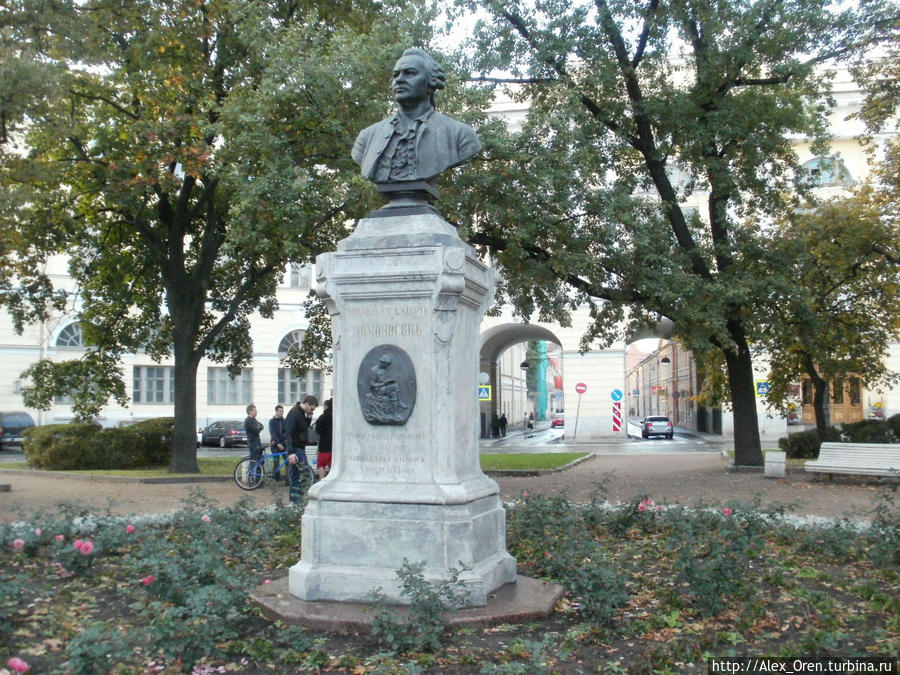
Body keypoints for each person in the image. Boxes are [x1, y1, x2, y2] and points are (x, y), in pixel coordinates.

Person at [351, 48, 481, 189]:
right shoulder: (366, 139)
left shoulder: (459, 135)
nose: (399, 79)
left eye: (410, 73)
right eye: (395, 75)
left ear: (431, 81)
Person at [284, 395, 318, 504]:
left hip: (299, 448)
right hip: (295, 449)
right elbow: (288, 433)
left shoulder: (301, 413)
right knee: (300, 476)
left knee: (300, 476)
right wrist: (290, 453)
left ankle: (296, 501)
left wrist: (309, 418)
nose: (312, 411)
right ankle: (295, 502)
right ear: (306, 404)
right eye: (311, 409)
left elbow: (303, 428)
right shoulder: (295, 413)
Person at [314, 398, 333, 480]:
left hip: (324, 446)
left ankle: (322, 481)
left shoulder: (322, 417)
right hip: (335, 446)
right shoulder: (337, 416)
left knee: (321, 464)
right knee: (332, 466)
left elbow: (317, 430)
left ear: (326, 406)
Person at [268, 404, 287, 481]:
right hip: (275, 445)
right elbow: (272, 433)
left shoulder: (284, 421)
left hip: (283, 445)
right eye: (280, 411)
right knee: (276, 462)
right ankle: (276, 479)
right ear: (276, 411)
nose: (281, 413)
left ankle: (287, 479)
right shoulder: (271, 421)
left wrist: (282, 443)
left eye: (282, 411)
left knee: (287, 461)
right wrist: (277, 443)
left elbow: (285, 433)